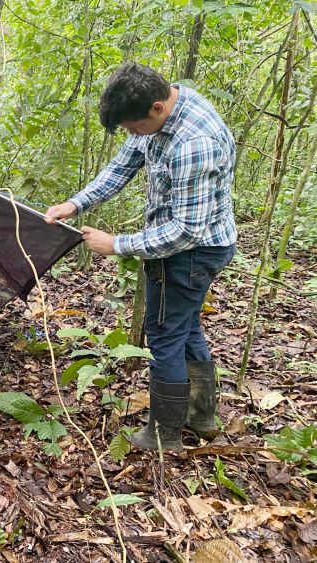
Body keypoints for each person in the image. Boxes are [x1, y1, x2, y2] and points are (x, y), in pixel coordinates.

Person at [45, 63, 237, 452]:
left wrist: (116, 244)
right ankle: (202, 416)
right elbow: (122, 166)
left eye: (133, 127)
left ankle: (163, 436)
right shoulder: (161, 110)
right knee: (185, 327)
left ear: (156, 108)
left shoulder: (193, 144)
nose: (132, 135)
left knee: (165, 335)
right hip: (191, 246)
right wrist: (75, 203)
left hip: (190, 253)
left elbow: (186, 231)